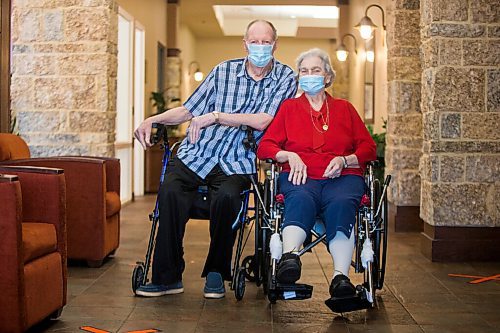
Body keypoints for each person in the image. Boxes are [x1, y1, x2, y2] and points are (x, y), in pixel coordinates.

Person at [134, 20, 297, 299]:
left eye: (265, 42)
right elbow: (188, 110)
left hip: (238, 158)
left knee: (227, 198)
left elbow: (264, 121)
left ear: (275, 45)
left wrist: (217, 116)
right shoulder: (223, 71)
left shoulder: (285, 78)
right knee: (170, 190)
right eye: (254, 42)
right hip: (198, 152)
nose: (260, 47)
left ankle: (216, 272)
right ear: (244, 44)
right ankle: (167, 276)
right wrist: (152, 119)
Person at [257, 48, 376, 299]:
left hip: (342, 178)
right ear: (299, 77)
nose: (309, 75)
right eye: (304, 71)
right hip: (300, 176)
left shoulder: (345, 108)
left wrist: (345, 160)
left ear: (327, 77)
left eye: (315, 70)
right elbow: (265, 146)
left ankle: (340, 278)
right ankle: (290, 258)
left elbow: (368, 148)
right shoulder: (289, 108)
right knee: (299, 197)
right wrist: (289, 155)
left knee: (343, 203)